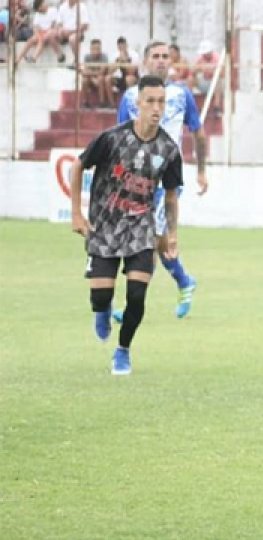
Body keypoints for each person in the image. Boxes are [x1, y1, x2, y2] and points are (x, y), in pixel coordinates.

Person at [69, 75, 183, 375]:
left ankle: (123, 351)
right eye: (150, 101)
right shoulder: (112, 138)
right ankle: (102, 309)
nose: (157, 107)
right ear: (138, 103)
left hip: (141, 230)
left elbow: (170, 195)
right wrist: (77, 214)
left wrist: (172, 234)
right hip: (105, 229)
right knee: (100, 297)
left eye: (162, 101)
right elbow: (78, 164)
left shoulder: (169, 150)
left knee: (136, 296)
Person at [115, 41, 209, 321]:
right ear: (145, 61)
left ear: (172, 61)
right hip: (136, 179)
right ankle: (184, 280)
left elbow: (199, 133)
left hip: (167, 179)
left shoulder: (181, 94)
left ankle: (134, 304)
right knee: (153, 241)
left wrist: (201, 171)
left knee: (149, 240)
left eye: (165, 56)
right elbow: (120, 137)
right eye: (155, 56)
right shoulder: (131, 97)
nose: (160, 60)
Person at [15, 0, 63, 65]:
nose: (45, 4)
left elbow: (56, 24)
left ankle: (34, 58)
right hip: (41, 33)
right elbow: (35, 27)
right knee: (30, 40)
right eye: (43, 4)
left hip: (52, 32)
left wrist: (46, 32)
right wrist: (38, 34)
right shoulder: (37, 14)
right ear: (39, 8)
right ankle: (18, 59)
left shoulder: (53, 10)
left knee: (43, 38)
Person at [55, 0, 88, 67]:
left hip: (77, 32)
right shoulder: (62, 7)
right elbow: (58, 23)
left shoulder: (82, 7)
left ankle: (76, 60)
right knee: (50, 34)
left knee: (72, 39)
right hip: (64, 32)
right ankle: (60, 55)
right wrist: (61, 29)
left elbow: (85, 25)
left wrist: (71, 31)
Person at [81, 38, 110, 108]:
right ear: (91, 49)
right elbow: (84, 72)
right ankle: (85, 102)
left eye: (98, 48)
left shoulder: (104, 57)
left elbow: (102, 72)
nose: (96, 51)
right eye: (94, 48)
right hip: (91, 80)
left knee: (100, 78)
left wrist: (90, 73)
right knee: (84, 80)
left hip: (101, 81)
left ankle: (102, 102)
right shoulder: (87, 57)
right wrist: (92, 79)